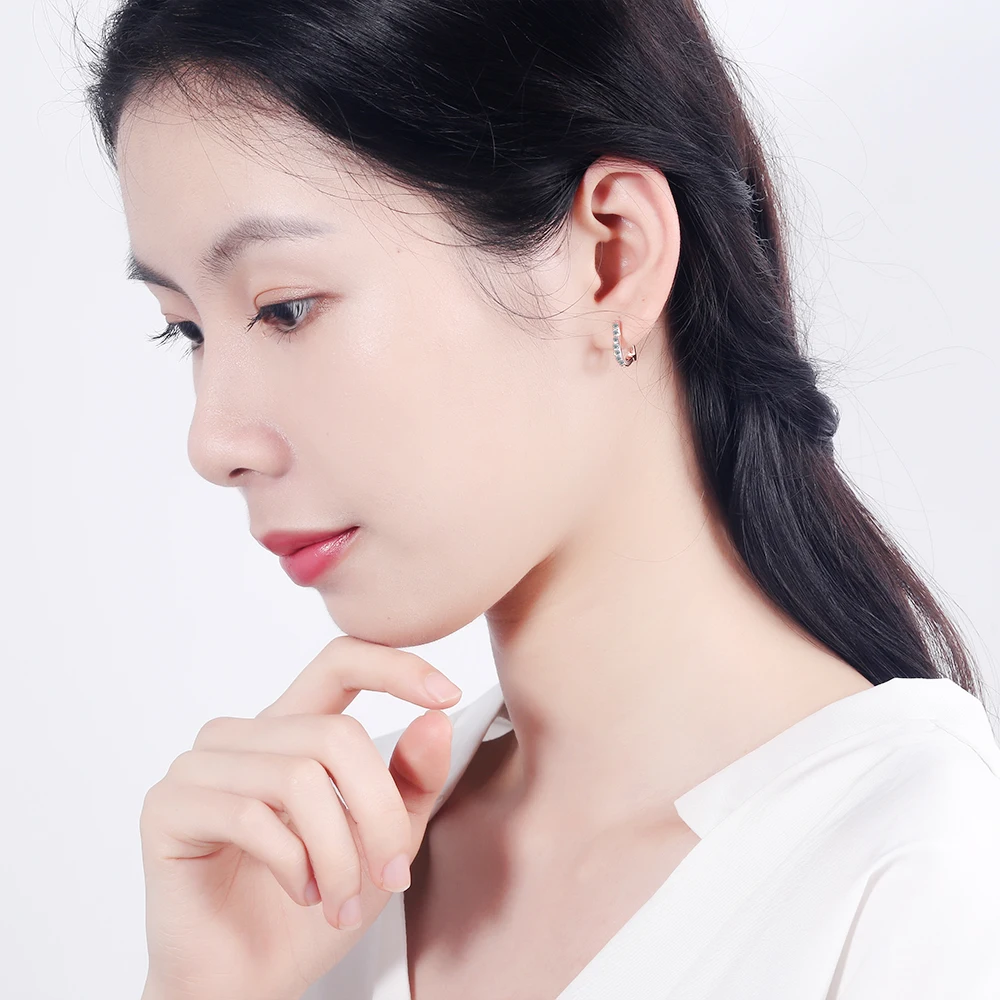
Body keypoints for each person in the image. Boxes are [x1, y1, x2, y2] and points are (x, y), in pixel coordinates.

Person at [79, 1, 1000, 998]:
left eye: (284, 308)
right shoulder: (300, 872)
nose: (213, 442)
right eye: (186, 329)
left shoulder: (919, 869)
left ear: (612, 256)